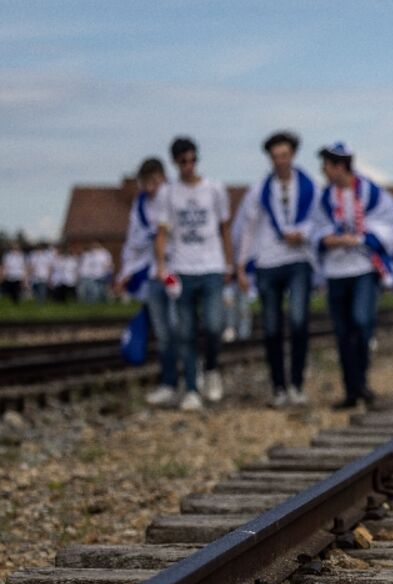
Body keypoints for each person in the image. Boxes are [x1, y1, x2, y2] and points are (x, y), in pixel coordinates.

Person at [311, 142, 393, 409]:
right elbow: (315, 228)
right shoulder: (325, 198)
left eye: (326, 166)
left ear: (339, 166)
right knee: (342, 331)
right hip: (336, 270)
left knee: (362, 322)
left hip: (363, 267)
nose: (324, 171)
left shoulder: (372, 194)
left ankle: (361, 380)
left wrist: (363, 238)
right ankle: (351, 388)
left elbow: (390, 227)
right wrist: (325, 238)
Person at [234, 131, 319, 407]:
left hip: (299, 259)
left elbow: (321, 220)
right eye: (275, 157)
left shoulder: (310, 187)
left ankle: (296, 384)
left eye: (284, 155)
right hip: (268, 262)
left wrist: (303, 233)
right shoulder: (259, 190)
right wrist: (241, 265)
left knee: (298, 321)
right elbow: (246, 229)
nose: (280, 161)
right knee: (271, 328)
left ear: (292, 155)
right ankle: (278, 387)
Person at [153, 136, 236, 411]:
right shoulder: (167, 193)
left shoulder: (214, 189)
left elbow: (224, 227)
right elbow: (162, 232)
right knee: (185, 331)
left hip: (211, 266)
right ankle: (191, 387)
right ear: (176, 163)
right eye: (183, 161)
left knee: (214, 325)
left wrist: (229, 263)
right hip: (182, 269)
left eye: (192, 160)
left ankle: (211, 368)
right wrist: (161, 265)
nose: (189, 166)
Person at [116, 157, 180, 405]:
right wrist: (126, 273)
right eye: (147, 183)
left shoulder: (176, 197)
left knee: (177, 326)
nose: (152, 188)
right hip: (156, 274)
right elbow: (134, 244)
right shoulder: (140, 206)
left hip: (176, 271)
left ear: (163, 177)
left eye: (155, 181)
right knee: (163, 330)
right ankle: (169, 380)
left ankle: (188, 378)